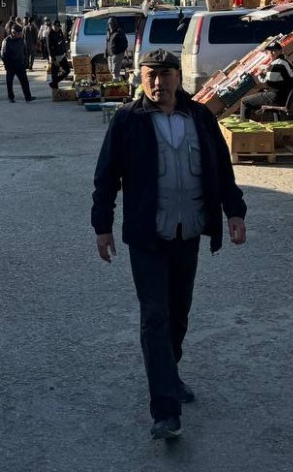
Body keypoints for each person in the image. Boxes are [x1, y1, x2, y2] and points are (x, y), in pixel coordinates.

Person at [92, 49, 247, 440]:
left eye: (165, 74)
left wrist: (235, 212)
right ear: (141, 78)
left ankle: (169, 372)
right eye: (151, 75)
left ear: (179, 78)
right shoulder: (128, 120)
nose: (158, 82)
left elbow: (221, 169)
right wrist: (102, 225)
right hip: (148, 235)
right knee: (155, 315)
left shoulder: (200, 118)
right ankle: (165, 409)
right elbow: (107, 175)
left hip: (188, 231)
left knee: (179, 312)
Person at [1, 24, 34, 103]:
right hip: (11, 65)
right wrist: (6, 64)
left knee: (25, 81)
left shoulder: (20, 39)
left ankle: (28, 97)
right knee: (9, 82)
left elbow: (24, 51)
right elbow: (3, 54)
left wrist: (25, 61)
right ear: (13, 32)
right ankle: (11, 97)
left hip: (20, 64)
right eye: (18, 33)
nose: (20, 35)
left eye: (20, 33)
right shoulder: (6, 41)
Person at [263, 42, 293, 109]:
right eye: (270, 51)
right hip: (283, 94)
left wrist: (262, 73)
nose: (272, 53)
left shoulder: (278, 63)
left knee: (245, 101)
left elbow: (268, 83)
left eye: (274, 51)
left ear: (280, 51)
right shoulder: (284, 61)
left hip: (277, 95)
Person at [48, 20, 70, 89]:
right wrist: (53, 59)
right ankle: (55, 88)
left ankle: (54, 82)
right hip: (55, 57)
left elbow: (63, 42)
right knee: (54, 74)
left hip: (62, 55)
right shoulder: (50, 34)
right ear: (52, 26)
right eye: (55, 26)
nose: (57, 28)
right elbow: (49, 48)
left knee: (67, 70)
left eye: (58, 27)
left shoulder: (60, 31)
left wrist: (66, 52)